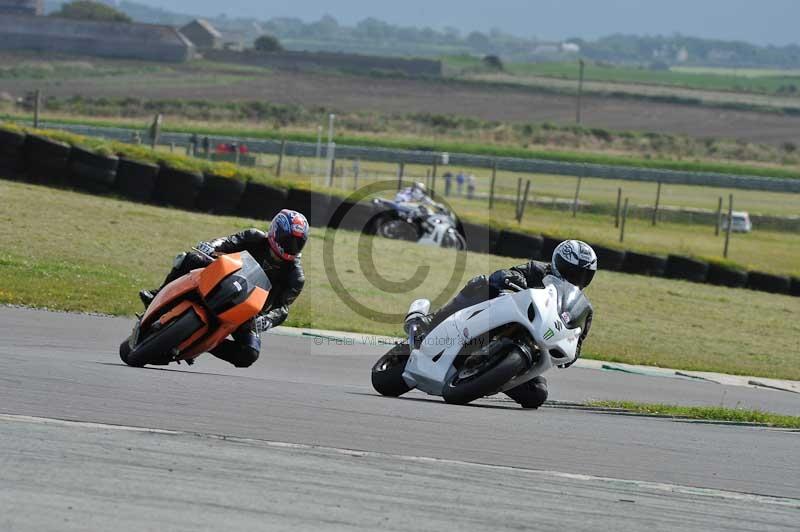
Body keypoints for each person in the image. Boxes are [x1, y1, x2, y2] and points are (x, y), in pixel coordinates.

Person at [414, 240, 597, 408]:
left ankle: (490, 377)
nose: (576, 278)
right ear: (558, 264)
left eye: (583, 275)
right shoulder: (538, 270)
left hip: (532, 350)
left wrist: (569, 353)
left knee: (537, 394)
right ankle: (431, 322)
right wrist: (510, 277)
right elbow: (507, 274)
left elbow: (577, 343)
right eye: (571, 271)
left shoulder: (580, 309)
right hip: (504, 318)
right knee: (482, 283)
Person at [139, 209, 309, 368]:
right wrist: (211, 246)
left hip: (246, 311)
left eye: (298, 243)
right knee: (190, 258)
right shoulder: (253, 236)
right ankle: (157, 295)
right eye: (288, 240)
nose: (292, 246)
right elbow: (227, 242)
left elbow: (283, 308)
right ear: (275, 231)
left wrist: (268, 320)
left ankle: (203, 344)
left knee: (249, 353)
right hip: (222, 278)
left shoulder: (295, 276)